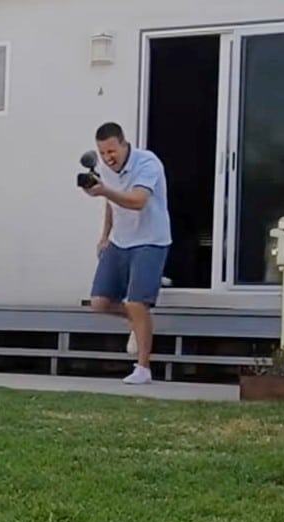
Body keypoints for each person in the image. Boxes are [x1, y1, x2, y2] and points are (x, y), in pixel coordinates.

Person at [82, 122, 172, 385]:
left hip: (151, 240)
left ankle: (143, 368)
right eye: (103, 154)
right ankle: (138, 320)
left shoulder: (148, 163)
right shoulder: (106, 171)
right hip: (120, 241)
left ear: (124, 144)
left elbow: (136, 201)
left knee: (135, 302)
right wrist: (104, 236)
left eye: (112, 152)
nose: (108, 159)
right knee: (99, 303)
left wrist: (103, 190)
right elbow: (111, 205)